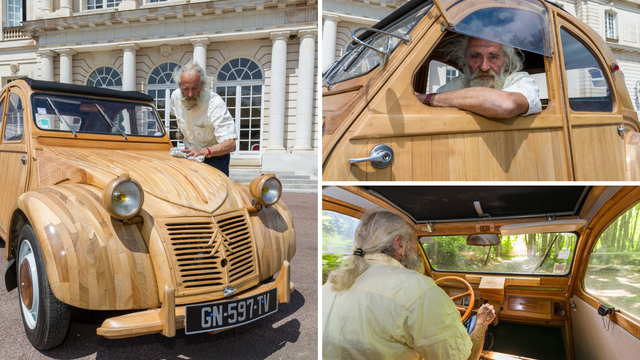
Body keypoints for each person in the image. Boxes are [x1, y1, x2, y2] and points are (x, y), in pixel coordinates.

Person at [323, 210, 496, 360]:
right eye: (415, 243)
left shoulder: (329, 286)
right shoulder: (419, 289)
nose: (416, 252)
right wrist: (482, 321)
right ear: (399, 245)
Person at [415, 35, 542, 119]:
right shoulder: (454, 85)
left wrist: (428, 98)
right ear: (465, 60)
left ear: (506, 61)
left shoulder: (522, 81)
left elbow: (506, 105)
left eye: (493, 57)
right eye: (475, 57)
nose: (484, 67)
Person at [170, 61, 237, 176]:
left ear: (203, 84)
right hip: (191, 156)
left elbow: (231, 144)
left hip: (215, 159)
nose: (190, 94)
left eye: (195, 87)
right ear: (179, 85)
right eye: (185, 88)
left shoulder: (215, 103)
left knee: (216, 193)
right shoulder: (175, 97)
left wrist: (204, 152)